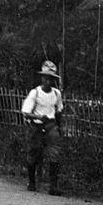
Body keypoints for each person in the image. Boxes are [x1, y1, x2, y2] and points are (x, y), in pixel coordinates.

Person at [21, 60, 65, 195]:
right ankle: (32, 182)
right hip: (37, 126)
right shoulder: (35, 93)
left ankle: (53, 186)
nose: (48, 81)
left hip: (51, 126)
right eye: (46, 78)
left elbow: (59, 110)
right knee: (33, 153)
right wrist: (39, 118)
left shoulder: (56, 93)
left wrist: (58, 127)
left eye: (50, 78)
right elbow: (25, 112)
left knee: (54, 154)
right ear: (42, 78)